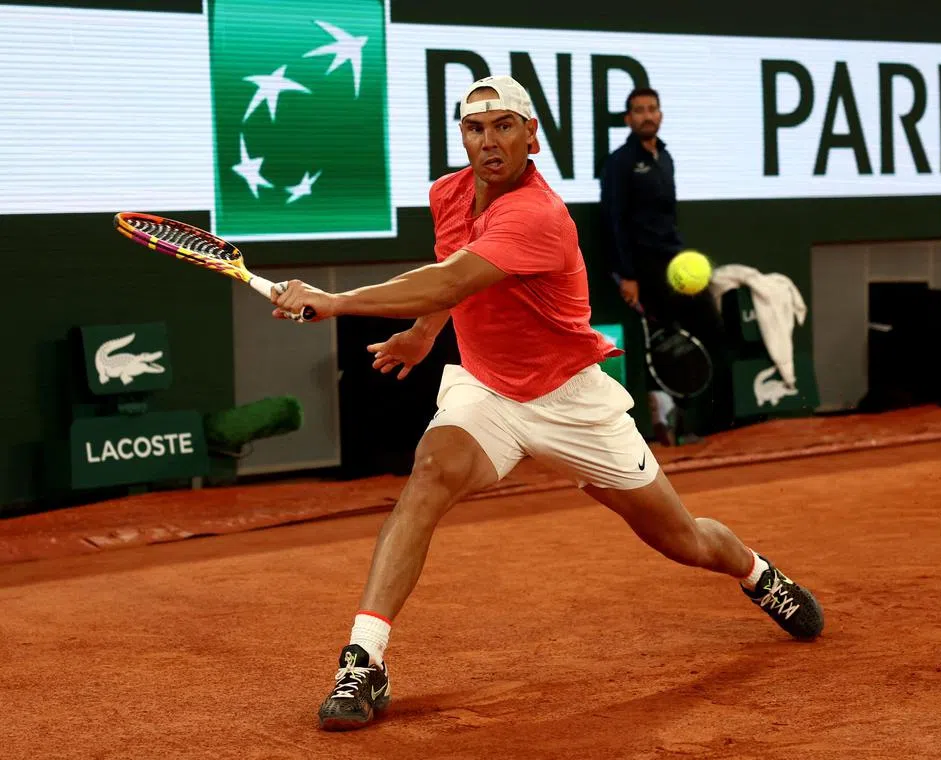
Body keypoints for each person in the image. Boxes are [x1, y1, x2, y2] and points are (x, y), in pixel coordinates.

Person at [271, 75, 824, 733]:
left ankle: (757, 573)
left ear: (532, 135)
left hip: (570, 402)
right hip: (487, 391)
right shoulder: (448, 195)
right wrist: (423, 336)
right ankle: (364, 660)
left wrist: (337, 301)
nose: (489, 142)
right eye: (475, 129)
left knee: (681, 539)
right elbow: (455, 280)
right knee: (429, 475)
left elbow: (449, 278)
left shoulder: (539, 214)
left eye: (504, 126)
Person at [599, 87, 730, 445]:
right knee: (664, 345)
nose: (646, 115)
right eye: (639, 110)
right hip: (644, 269)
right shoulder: (620, 162)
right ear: (629, 119)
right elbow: (613, 220)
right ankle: (667, 424)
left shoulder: (665, 157)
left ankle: (706, 423)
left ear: (660, 114)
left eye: (652, 109)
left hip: (677, 263)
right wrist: (626, 274)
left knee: (708, 332)